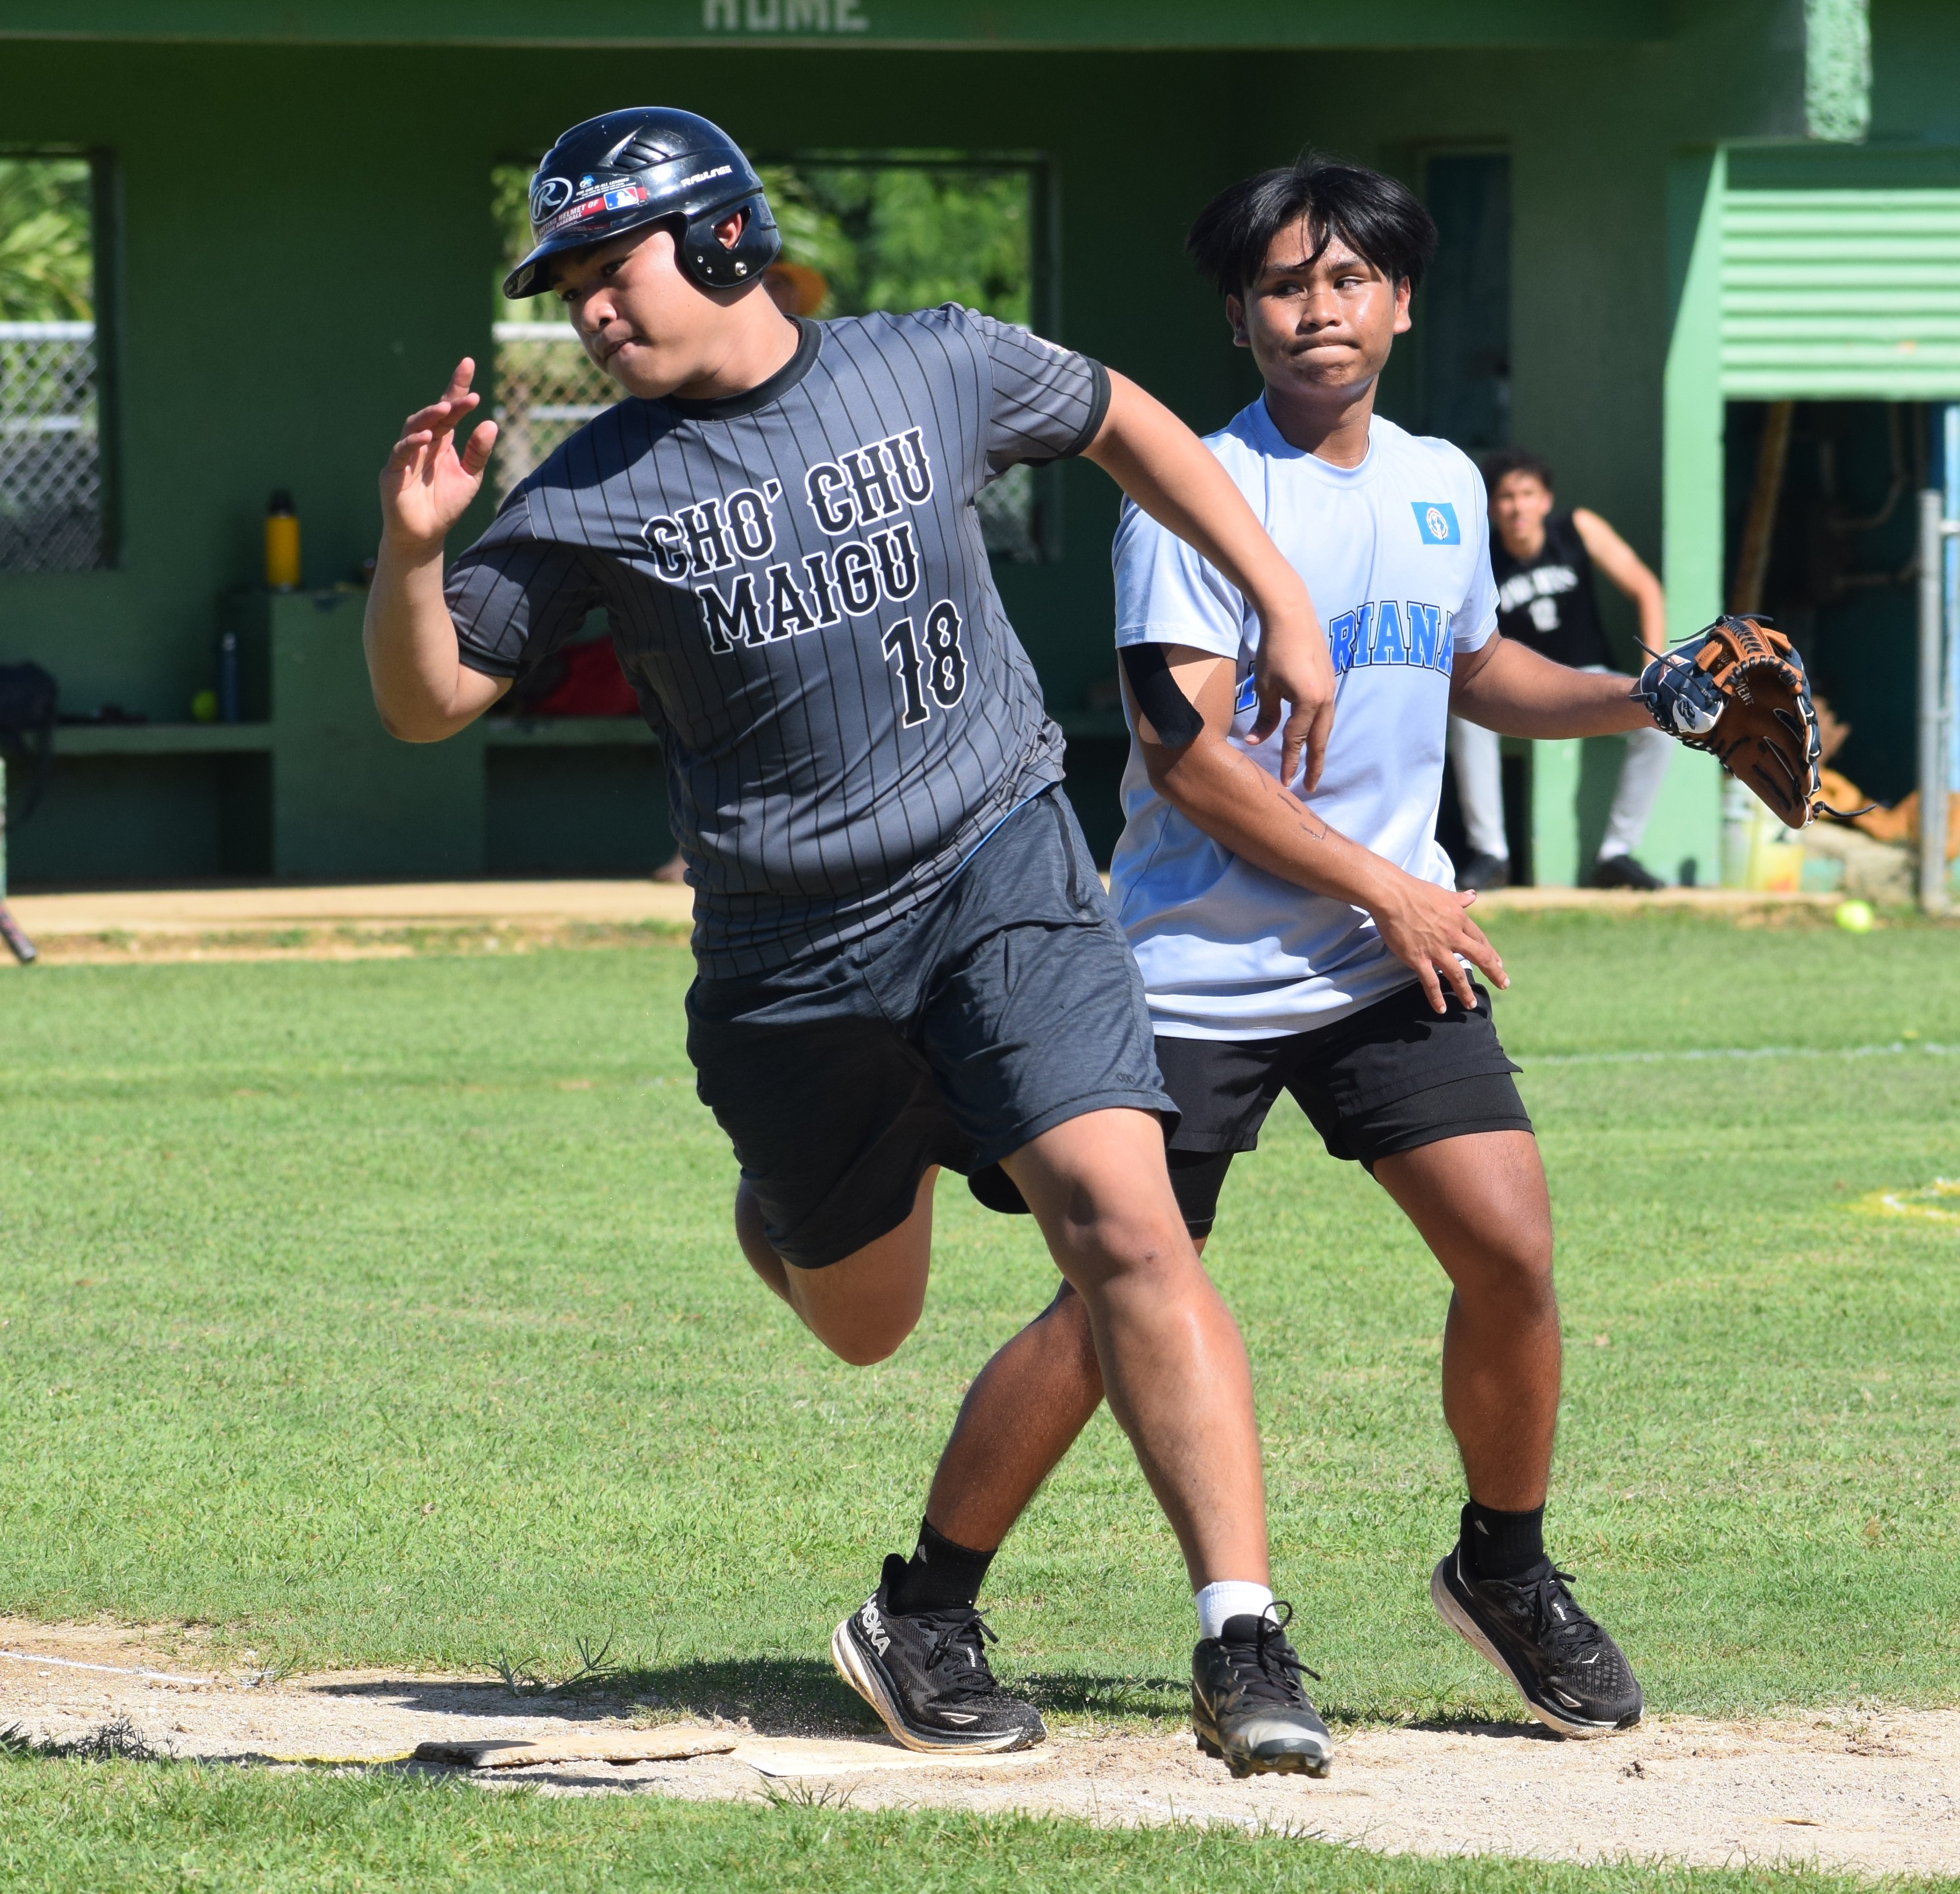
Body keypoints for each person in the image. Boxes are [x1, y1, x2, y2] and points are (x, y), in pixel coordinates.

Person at [361, 108, 1339, 1779]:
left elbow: (1124, 422)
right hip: (791, 966)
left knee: (1128, 1222)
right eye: (569, 284)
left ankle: (1239, 1637)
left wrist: (1279, 599)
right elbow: (429, 697)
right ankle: (788, 1213)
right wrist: (413, 545)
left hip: (998, 872)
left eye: (616, 266)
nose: (589, 308)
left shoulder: (934, 361)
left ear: (727, 238)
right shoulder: (590, 484)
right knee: (864, 1319)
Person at [898, 159, 1657, 1743]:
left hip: (1383, 962)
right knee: (1110, 1314)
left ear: (1398, 299)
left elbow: (1477, 667)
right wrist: (1388, 884)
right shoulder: (1192, 494)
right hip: (1189, 975)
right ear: (1237, 315)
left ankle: (1501, 1568)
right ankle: (923, 1606)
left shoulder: (1443, 477)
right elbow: (1187, 756)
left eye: (1345, 279)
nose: (1316, 310)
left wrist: (1639, 698)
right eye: (1280, 286)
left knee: (1507, 1247)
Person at [1447, 449, 1674, 890]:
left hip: (1586, 676)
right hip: (1516, 688)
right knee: (1464, 715)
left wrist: (1653, 671)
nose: (1518, 507)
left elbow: (1646, 588)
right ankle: (1491, 853)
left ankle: (1617, 853)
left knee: (1659, 719)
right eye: (1507, 497)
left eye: (1528, 494)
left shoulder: (1578, 528)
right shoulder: (1480, 551)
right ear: (1492, 507)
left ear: (1546, 500)